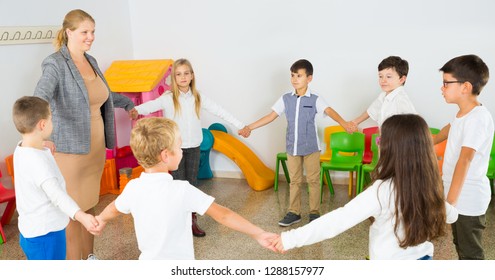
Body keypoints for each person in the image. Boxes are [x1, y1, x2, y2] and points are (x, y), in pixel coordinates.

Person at [272, 114, 458, 259]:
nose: (378, 144)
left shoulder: (383, 190)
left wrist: (288, 239)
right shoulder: (427, 186)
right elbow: (451, 215)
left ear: (392, 149)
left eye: (380, 140)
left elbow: (339, 219)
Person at [94, 117, 277, 259]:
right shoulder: (182, 190)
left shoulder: (133, 188)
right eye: (179, 147)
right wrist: (258, 233)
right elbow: (224, 215)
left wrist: (100, 219)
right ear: (166, 155)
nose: (182, 151)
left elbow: (113, 209)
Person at [33, 9, 135, 260]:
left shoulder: (91, 61)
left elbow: (102, 95)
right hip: (69, 150)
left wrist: (127, 104)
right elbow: (39, 98)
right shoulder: (55, 63)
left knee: (89, 204)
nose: (90, 37)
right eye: (84, 32)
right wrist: (38, 134)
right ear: (69, 32)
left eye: (93, 32)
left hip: (95, 145)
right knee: (71, 210)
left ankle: (89, 258)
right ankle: (73, 265)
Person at [129, 58, 247, 237]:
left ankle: (191, 221)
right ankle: (177, 223)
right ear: (173, 78)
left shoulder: (198, 97)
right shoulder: (168, 98)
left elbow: (219, 110)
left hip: (194, 147)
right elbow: (151, 105)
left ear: (192, 76)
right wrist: (136, 109)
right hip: (175, 150)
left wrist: (240, 125)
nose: (183, 77)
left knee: (191, 185)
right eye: (178, 74)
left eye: (186, 73)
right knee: (176, 186)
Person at [239, 59, 355, 227]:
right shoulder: (286, 99)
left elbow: (329, 111)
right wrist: (250, 127)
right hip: (292, 146)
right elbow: (270, 116)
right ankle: (294, 212)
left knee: (314, 180)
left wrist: (344, 123)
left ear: (309, 78)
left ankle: (314, 213)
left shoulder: (315, 98)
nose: (294, 79)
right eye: (292, 75)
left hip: (311, 147)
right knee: (294, 181)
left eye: (299, 75)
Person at [12, 96, 100, 260]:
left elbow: (28, 142)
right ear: (42, 125)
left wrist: (42, 143)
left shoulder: (21, 150)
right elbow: (58, 196)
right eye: (51, 118)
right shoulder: (38, 163)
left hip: (30, 232)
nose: (53, 122)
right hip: (47, 235)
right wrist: (82, 217)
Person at [434, 54, 494, 260]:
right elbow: (446, 131)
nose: (442, 88)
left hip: (467, 199)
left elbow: (465, 159)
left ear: (465, 87)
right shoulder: (462, 113)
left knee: (470, 254)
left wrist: (449, 202)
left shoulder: (478, 118)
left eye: (446, 83)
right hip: (457, 196)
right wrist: (423, 141)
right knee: (460, 245)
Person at [350, 56, 416, 129]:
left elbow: (415, 123)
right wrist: (354, 122)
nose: (383, 80)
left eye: (388, 77)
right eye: (380, 76)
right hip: (386, 137)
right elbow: (370, 111)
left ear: (401, 79)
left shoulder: (401, 99)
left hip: (398, 139)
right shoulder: (383, 96)